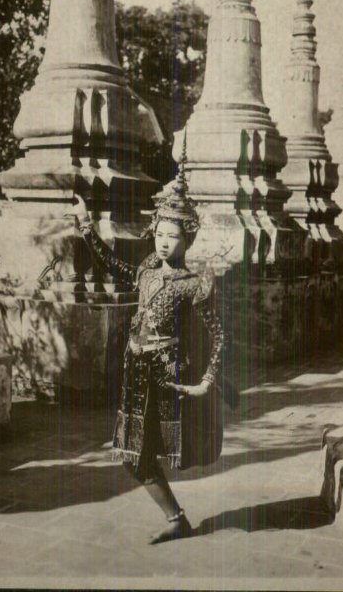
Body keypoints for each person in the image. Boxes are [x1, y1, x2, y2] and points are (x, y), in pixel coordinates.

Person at [69, 153, 226, 544]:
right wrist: (86, 225)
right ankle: (176, 519)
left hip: (166, 377)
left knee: (140, 452)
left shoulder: (195, 285)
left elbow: (219, 337)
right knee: (130, 453)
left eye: (171, 235)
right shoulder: (145, 270)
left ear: (186, 239)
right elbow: (111, 264)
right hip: (135, 370)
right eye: (159, 232)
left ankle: (176, 519)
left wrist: (207, 381)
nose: (162, 239)